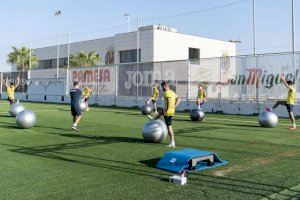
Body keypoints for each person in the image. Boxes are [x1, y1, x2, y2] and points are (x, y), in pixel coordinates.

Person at [150, 81, 181, 148]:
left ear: (164, 86)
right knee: (161, 112)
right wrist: (174, 106)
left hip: (168, 111)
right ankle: (153, 119)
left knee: (169, 127)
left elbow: (169, 100)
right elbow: (179, 99)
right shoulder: (172, 92)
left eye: (162, 87)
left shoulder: (166, 93)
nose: (162, 88)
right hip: (170, 110)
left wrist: (168, 108)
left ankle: (172, 142)